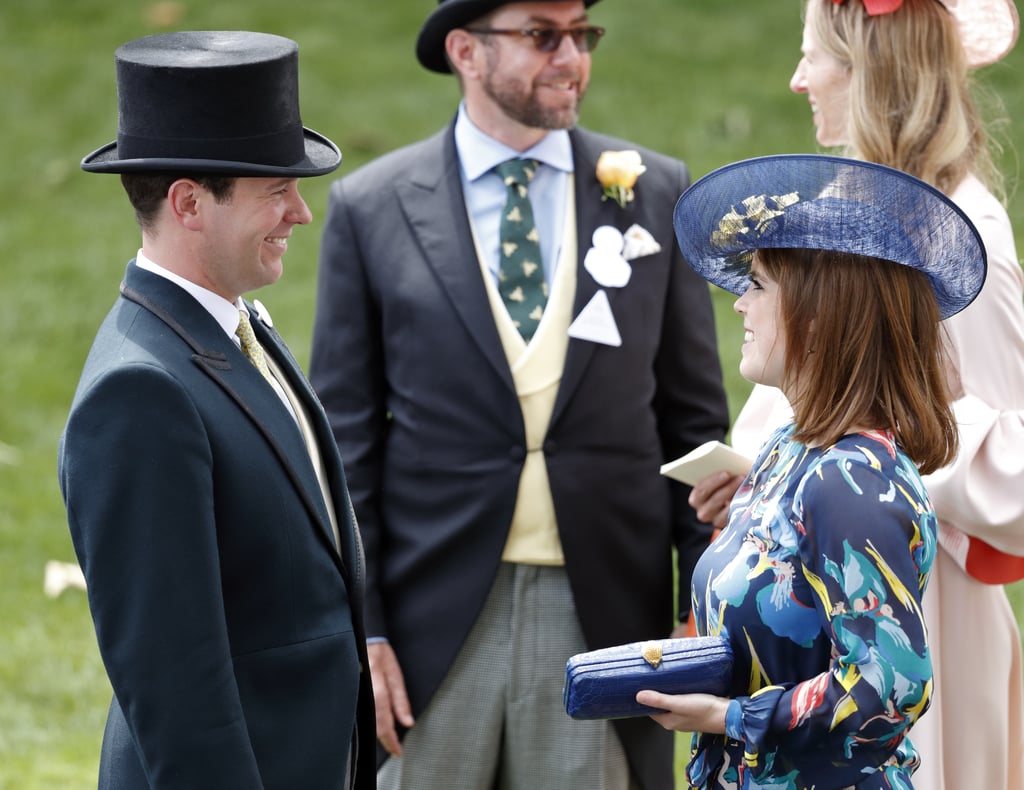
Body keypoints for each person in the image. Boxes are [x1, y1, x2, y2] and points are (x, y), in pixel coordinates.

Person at [307, 1, 730, 787]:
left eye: (582, 35)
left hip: (607, 604)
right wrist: (362, 630)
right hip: (433, 609)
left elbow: (693, 421)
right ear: (466, 51)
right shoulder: (372, 208)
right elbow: (345, 441)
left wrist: (702, 604)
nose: (571, 57)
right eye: (542, 36)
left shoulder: (654, 191)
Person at [691, 2, 1024, 786]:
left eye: (816, 57)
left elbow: (1011, 467)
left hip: (909, 607)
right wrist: (771, 488)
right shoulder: (842, 223)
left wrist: (873, 441)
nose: (797, 79)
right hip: (811, 611)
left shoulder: (955, 237)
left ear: (871, 73)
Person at [58, 31, 375, 790]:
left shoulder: (231, 326)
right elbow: (176, 690)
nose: (301, 213)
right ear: (189, 203)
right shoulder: (140, 394)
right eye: (275, 190)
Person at [637, 152, 987, 788]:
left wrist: (729, 717)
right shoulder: (790, 448)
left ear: (820, 313)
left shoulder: (850, 481)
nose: (740, 304)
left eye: (761, 284)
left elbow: (890, 687)